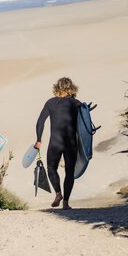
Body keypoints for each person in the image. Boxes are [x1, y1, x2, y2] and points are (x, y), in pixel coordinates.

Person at [34, 77, 81, 210]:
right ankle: (66, 202)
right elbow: (84, 125)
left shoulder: (50, 103)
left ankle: (58, 193)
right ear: (71, 88)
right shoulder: (76, 103)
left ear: (57, 88)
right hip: (70, 142)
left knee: (51, 168)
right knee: (69, 171)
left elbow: (40, 122)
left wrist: (38, 139)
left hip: (55, 141)